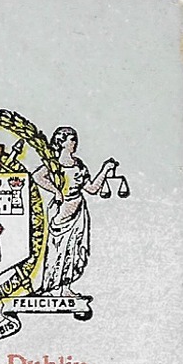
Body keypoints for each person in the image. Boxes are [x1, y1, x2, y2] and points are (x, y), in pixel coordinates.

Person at [35, 127, 118, 297]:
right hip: (61, 212)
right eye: (71, 139)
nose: (74, 143)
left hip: (79, 211)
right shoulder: (54, 163)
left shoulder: (79, 164)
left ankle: (66, 288)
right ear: (61, 141)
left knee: (73, 249)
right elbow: (37, 176)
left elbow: (92, 188)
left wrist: (105, 170)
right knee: (57, 250)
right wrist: (56, 192)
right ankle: (51, 288)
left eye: (75, 139)